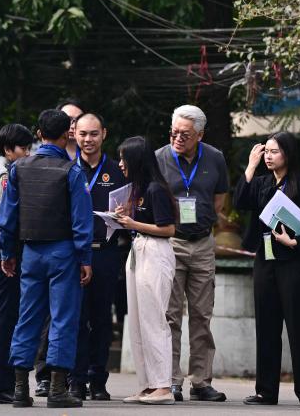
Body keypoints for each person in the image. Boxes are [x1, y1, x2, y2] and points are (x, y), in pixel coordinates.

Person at [0, 109, 94, 408]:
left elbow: (7, 217)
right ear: (68, 134)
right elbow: (81, 221)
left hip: (31, 253)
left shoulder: (19, 169)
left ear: (38, 134)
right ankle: (57, 390)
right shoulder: (72, 171)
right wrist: (85, 257)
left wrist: (7, 252)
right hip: (63, 252)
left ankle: (20, 390)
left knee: (28, 318)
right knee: (63, 319)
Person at [233, 131, 300, 407]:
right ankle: (266, 391)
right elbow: (239, 202)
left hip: (294, 264)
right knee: (267, 327)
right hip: (265, 261)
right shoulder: (261, 183)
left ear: (288, 154)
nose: (269, 156)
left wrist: (295, 241)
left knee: (298, 328)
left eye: (275, 152)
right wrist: (250, 166)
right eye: (267, 152)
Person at [155, 105, 229, 402]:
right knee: (170, 315)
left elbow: (219, 200)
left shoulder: (215, 158)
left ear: (200, 134)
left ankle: (201, 382)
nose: (177, 138)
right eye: (173, 132)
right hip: (171, 242)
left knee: (202, 315)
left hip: (202, 242)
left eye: (184, 134)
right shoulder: (159, 158)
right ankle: (171, 380)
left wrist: (203, 222)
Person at [115, 136, 177, 405]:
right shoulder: (139, 190)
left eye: (123, 159)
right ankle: (148, 384)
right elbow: (140, 222)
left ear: (136, 160)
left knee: (154, 320)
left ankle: (163, 385)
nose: (120, 164)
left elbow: (168, 229)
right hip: (139, 251)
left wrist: (132, 223)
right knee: (139, 322)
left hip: (155, 253)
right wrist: (125, 218)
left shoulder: (155, 189)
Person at [68, 112, 126, 400]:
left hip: (106, 253)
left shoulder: (117, 172)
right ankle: (75, 380)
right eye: (82, 134)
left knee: (102, 319)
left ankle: (98, 380)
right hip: (75, 255)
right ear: (73, 135)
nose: (88, 140)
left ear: (104, 133)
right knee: (76, 319)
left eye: (93, 134)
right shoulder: (66, 169)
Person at [34, 98, 86, 397]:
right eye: (67, 120)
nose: (72, 125)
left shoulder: (86, 160)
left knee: (72, 317)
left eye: (77, 120)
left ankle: (73, 378)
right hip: (55, 248)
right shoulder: (39, 162)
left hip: (75, 246)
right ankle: (47, 378)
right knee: (49, 316)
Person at [0, 124, 33, 404]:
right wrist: (7, 254)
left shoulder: (5, 170)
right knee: (4, 319)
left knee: (7, 317)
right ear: (7, 149)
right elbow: (2, 219)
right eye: (23, 148)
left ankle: (4, 384)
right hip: (0, 249)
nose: (27, 153)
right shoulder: (4, 174)